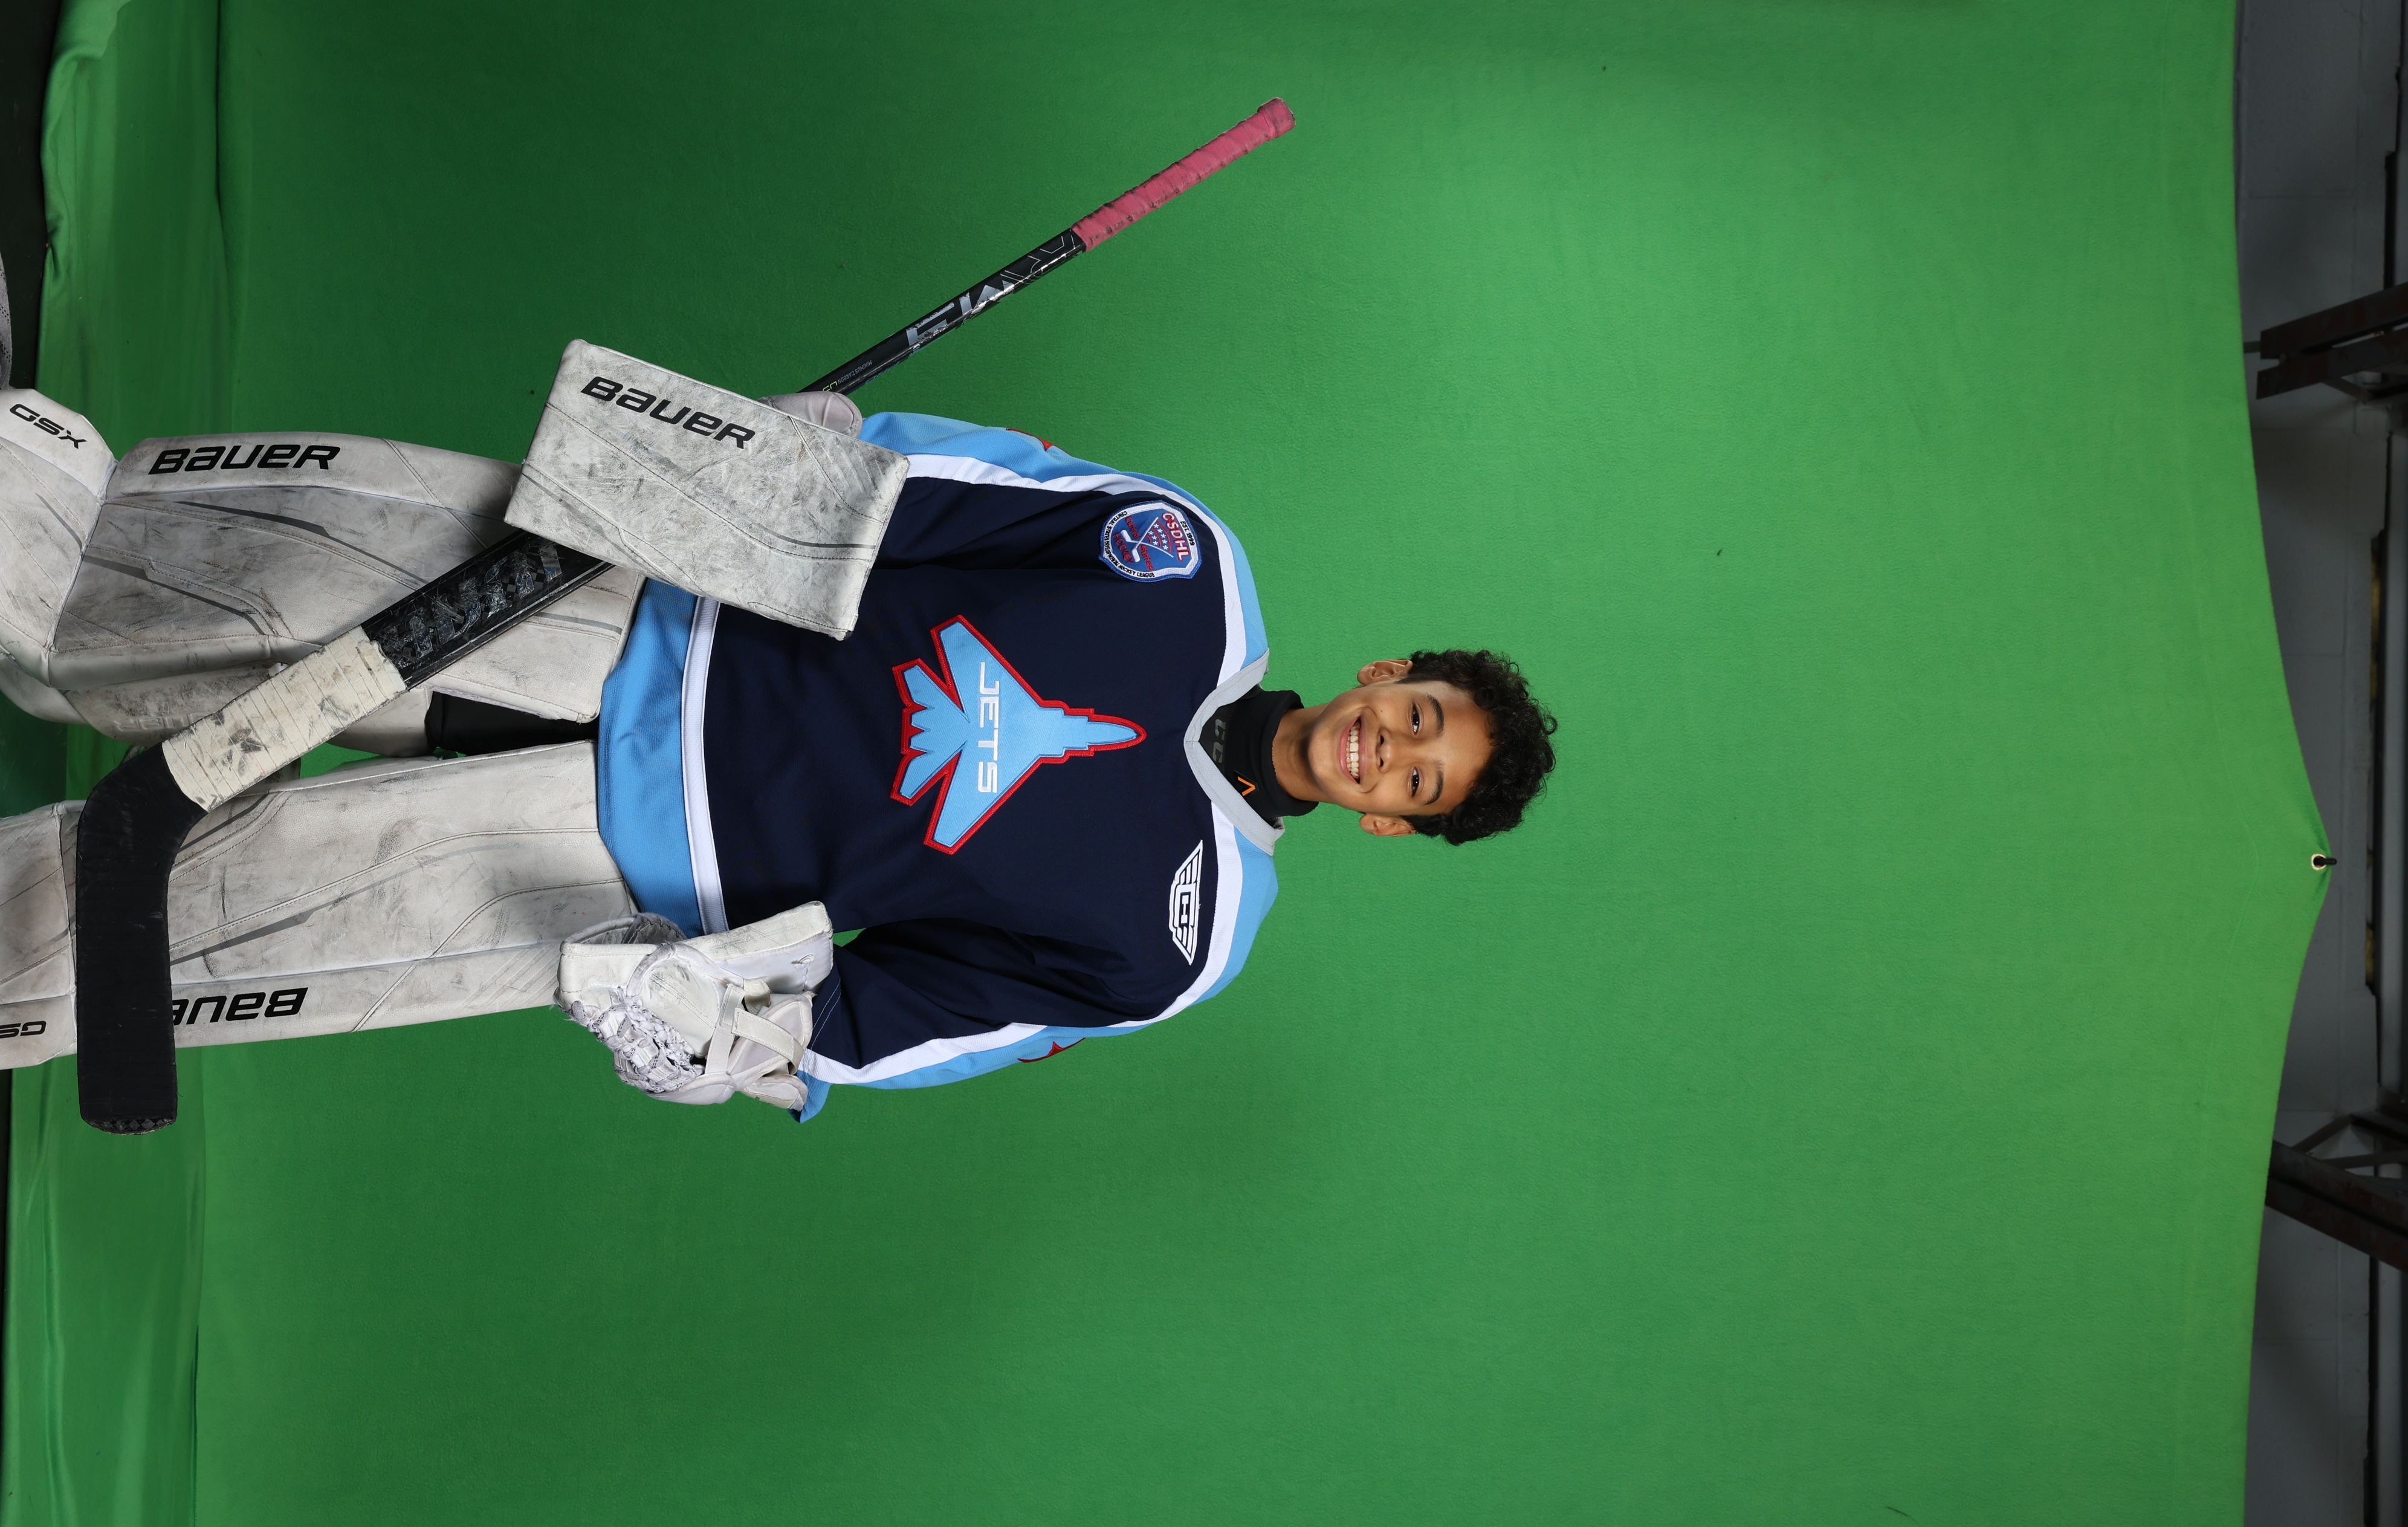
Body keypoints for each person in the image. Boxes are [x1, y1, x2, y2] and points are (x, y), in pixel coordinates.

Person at [0, 388, 1556, 1123]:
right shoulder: (1184, 566)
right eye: (1418, 713)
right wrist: (811, 447)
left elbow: (919, 1020)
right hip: (621, 610)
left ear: (1390, 825)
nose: (1390, 748)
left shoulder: (1182, 941)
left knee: (165, 932)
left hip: (607, 856)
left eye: (1415, 780)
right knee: (166, 576)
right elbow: (937, 493)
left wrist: (749, 1038)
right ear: (1390, 670)